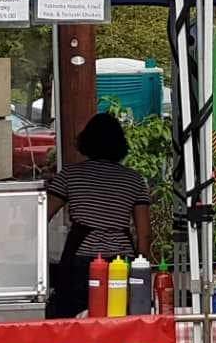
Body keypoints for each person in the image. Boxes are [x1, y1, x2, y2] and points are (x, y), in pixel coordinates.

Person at [44, 113, 152, 317]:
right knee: (120, 317)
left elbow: (43, 215)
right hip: (122, 259)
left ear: (86, 142)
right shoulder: (135, 180)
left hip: (81, 259)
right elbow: (144, 234)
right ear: (120, 145)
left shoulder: (69, 175)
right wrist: (141, 268)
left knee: (76, 319)